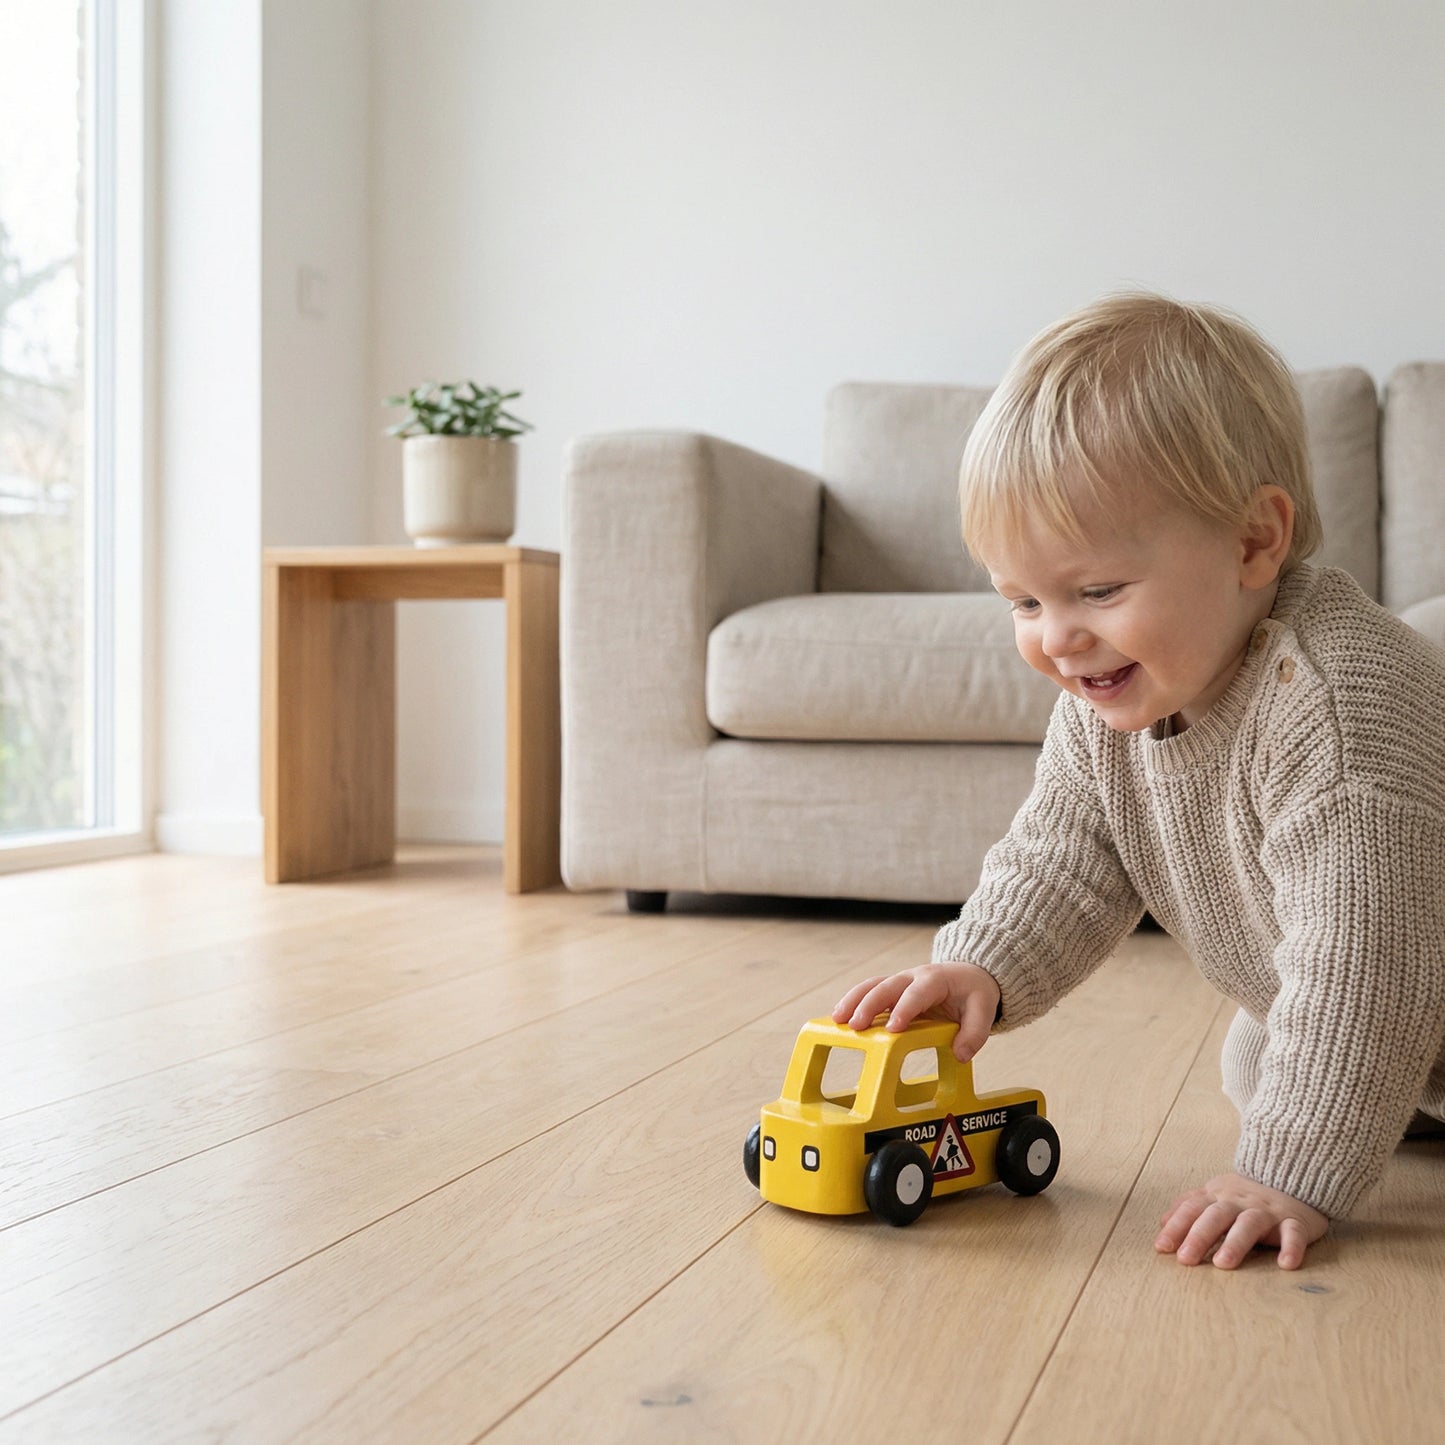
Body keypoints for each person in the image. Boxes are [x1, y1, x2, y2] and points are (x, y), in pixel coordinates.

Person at [833, 293, 1445, 1271]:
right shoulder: (1109, 704)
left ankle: (1361, 1105)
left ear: (1253, 542)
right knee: (1260, 1055)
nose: (1056, 637)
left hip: (1400, 968)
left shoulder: (1329, 704)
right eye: (1021, 600)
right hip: (1403, 1018)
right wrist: (979, 963)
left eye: (1097, 591)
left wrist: (1287, 1171)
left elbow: (1359, 956)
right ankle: (1387, 1095)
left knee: (1319, 1055)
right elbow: (1063, 854)